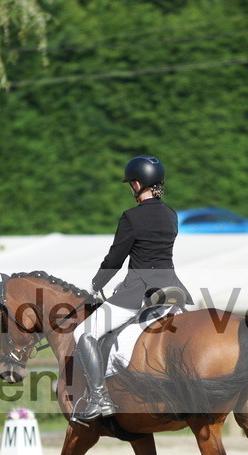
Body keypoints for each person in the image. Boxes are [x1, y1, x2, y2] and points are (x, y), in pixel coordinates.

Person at [71, 155, 191, 423]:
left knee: (83, 332)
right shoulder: (172, 215)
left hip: (140, 291)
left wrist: (97, 283)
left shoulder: (131, 217)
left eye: (131, 184)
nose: (131, 188)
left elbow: (115, 258)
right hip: (173, 288)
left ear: (137, 183)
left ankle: (99, 398)